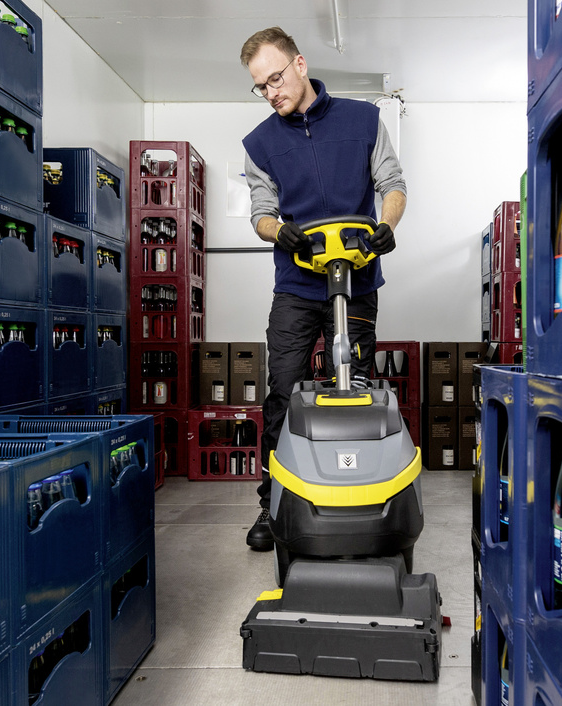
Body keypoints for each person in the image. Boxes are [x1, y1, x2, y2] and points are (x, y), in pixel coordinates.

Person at [239, 27, 408, 551]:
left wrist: (387, 227)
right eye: (260, 86)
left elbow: (393, 184)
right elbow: (261, 214)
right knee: (282, 393)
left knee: (357, 387)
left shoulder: (363, 120)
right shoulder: (260, 143)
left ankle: (360, 492)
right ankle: (274, 506)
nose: (271, 92)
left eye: (275, 78)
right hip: (296, 283)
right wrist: (279, 232)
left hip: (355, 277)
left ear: (300, 64)